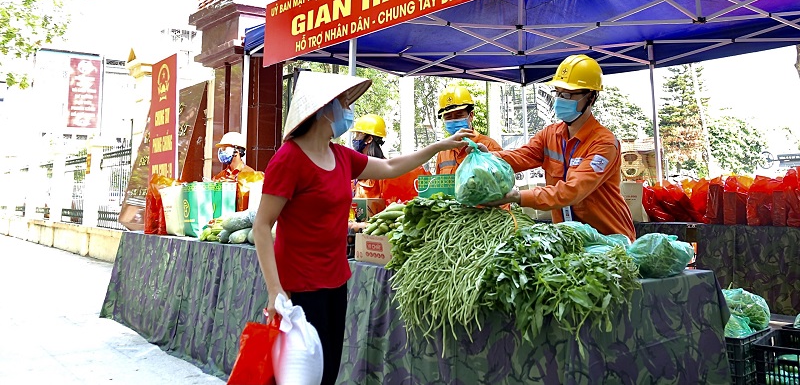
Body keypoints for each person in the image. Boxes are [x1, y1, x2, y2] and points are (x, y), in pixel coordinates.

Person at [252, 71, 471, 385]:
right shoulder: (288, 159)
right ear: (323, 110)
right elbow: (262, 227)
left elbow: (393, 166)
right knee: (297, 374)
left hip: (335, 280)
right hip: (299, 286)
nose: (347, 111)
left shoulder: (341, 156)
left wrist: (438, 146)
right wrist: (275, 291)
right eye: (342, 104)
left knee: (326, 369)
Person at [481, 55, 636, 241]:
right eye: (558, 93)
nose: (561, 100)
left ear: (591, 97)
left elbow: (573, 190)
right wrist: (487, 158)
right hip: (568, 239)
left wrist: (517, 196)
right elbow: (521, 156)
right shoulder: (550, 135)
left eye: (568, 94)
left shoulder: (604, 143)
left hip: (610, 240)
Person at [434, 84, 502, 174]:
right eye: (448, 117)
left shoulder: (490, 145)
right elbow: (439, 184)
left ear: (471, 115)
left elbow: (504, 179)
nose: (453, 120)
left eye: (459, 115)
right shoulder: (443, 152)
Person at [352, 113, 387, 199]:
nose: (355, 139)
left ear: (369, 139)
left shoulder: (382, 168)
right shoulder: (354, 164)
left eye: (358, 135)